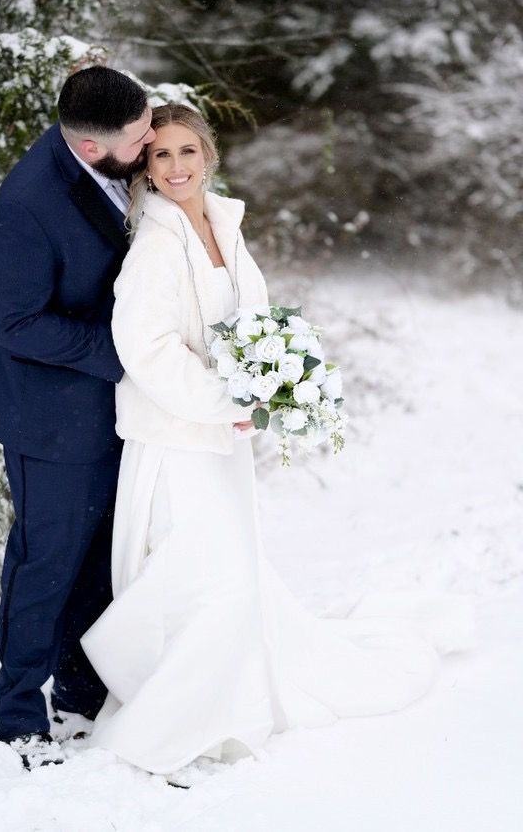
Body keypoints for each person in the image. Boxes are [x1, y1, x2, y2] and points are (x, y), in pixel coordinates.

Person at [80, 103, 471, 776]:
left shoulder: (223, 227)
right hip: (178, 438)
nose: (175, 167)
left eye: (187, 152)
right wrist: (223, 397)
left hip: (224, 438)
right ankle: (170, 724)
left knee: (233, 571)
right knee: (209, 577)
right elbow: (145, 349)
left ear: (208, 155)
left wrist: (271, 379)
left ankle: (223, 695)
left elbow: (253, 314)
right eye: (161, 155)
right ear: (145, 165)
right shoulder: (153, 245)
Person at [0, 66, 155, 769]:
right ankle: (19, 709)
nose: (150, 143)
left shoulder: (117, 159)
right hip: (49, 422)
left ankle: (80, 694)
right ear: (89, 148)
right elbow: (18, 324)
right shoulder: (27, 203)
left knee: (100, 563)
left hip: (115, 415)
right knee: (44, 564)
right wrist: (123, 353)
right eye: (139, 137)